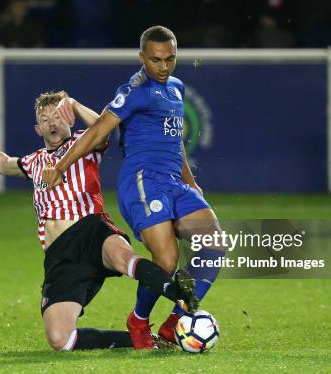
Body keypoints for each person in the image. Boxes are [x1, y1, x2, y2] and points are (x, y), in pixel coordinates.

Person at [0, 90, 197, 351]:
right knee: (60, 339)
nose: (52, 123)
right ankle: (142, 340)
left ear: (69, 120)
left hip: (91, 228)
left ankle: (178, 294)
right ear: (38, 129)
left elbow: (104, 128)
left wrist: (76, 105)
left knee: (122, 258)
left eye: (58, 116)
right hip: (60, 255)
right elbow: (0, 162)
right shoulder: (34, 162)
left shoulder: (83, 143)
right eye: (45, 120)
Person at [43, 26, 223, 349]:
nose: (164, 67)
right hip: (142, 182)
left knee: (215, 245)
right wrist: (62, 165)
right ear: (142, 57)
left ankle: (175, 322)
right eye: (156, 60)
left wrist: (191, 184)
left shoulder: (177, 89)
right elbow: (98, 131)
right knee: (166, 261)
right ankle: (139, 319)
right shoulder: (134, 90)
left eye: (170, 59)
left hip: (174, 183)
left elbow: (175, 141)